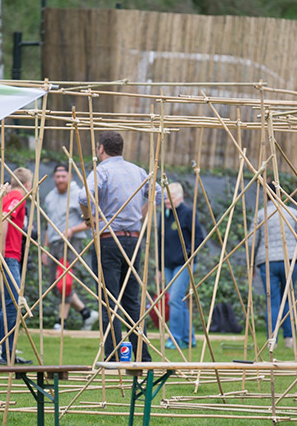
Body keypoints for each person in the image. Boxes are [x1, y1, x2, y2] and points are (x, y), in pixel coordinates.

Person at [78, 130, 161, 362]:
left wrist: (88, 219)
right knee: (132, 301)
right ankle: (142, 357)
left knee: (109, 300)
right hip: (133, 239)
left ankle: (113, 357)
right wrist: (140, 216)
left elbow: (84, 197)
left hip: (108, 240)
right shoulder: (138, 171)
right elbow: (158, 195)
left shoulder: (102, 171)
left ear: (101, 149)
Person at [0, 168, 34, 365]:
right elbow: (4, 218)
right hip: (7, 257)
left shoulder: (3, 197)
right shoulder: (16, 197)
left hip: (0, 256)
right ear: (27, 185)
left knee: (4, 307)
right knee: (13, 306)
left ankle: (7, 353)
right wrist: (1, 253)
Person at [41, 164, 97, 331]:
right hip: (54, 243)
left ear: (70, 177)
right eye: (57, 177)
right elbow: (48, 224)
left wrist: (72, 229)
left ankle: (61, 322)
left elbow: (91, 221)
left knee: (63, 283)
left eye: (63, 176)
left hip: (71, 242)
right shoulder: (50, 197)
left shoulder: (78, 195)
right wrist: (45, 247)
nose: (60, 180)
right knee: (54, 284)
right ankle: (86, 313)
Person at [250, 182, 297, 350]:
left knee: (272, 301)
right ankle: (289, 340)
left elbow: (252, 241)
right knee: (288, 299)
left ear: (266, 196)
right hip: (291, 260)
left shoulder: (261, 214)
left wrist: (251, 264)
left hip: (268, 261)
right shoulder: (293, 212)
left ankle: (272, 340)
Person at [158, 182, 206, 350]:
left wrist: (189, 253)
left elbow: (199, 238)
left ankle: (175, 338)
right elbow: (160, 241)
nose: (166, 203)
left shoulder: (187, 213)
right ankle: (188, 338)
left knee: (175, 300)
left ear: (179, 197)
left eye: (170, 199)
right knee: (179, 302)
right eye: (165, 199)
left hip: (184, 263)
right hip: (168, 264)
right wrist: (159, 268)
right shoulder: (165, 215)